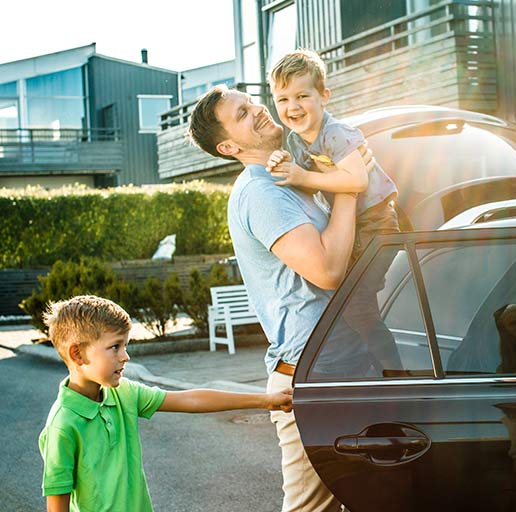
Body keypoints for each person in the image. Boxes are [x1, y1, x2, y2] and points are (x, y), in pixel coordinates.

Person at [187, 84, 374, 511]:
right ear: (229, 145)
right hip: (313, 375)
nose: (257, 110)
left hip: (340, 364)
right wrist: (348, 187)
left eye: (251, 102)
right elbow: (327, 271)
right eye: (241, 113)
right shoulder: (261, 193)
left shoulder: (288, 178)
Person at [39, 295, 292, 512]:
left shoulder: (123, 393)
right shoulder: (63, 425)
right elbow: (57, 503)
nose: (125, 356)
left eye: (125, 346)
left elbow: (190, 399)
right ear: (77, 354)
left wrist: (264, 399)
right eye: (114, 347)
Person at [265, 48, 400, 266]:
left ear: (323, 97)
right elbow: (309, 187)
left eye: (302, 96)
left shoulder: (335, 133)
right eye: (283, 99)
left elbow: (357, 180)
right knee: (353, 290)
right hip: (348, 221)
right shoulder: (295, 140)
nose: (293, 107)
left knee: (360, 290)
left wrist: (303, 177)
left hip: (375, 220)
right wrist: (286, 166)